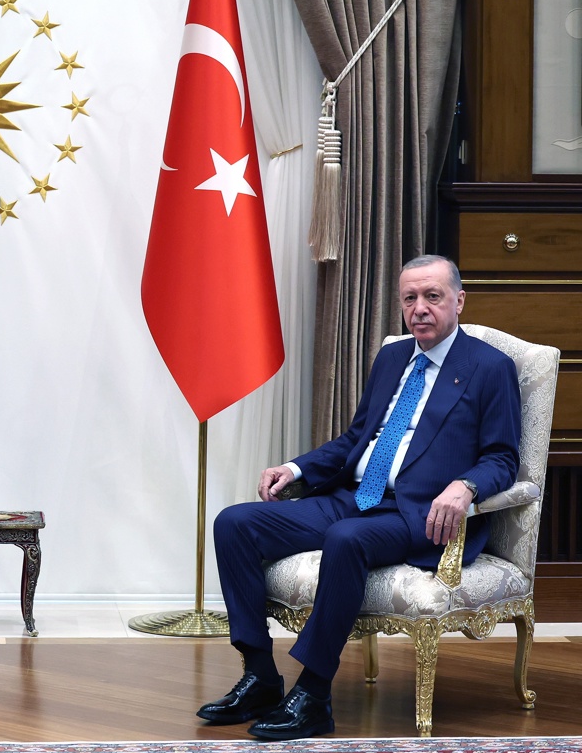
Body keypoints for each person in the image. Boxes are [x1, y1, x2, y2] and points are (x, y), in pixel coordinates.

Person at [198, 255, 520, 741]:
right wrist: (296, 467)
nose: (420, 308)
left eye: (432, 296)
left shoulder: (489, 368)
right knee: (235, 522)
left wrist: (466, 486)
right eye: (410, 298)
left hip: (419, 512)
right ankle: (260, 674)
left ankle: (313, 694)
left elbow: (502, 457)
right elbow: (357, 439)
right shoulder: (393, 358)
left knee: (346, 538)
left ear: (458, 300)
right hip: (355, 496)